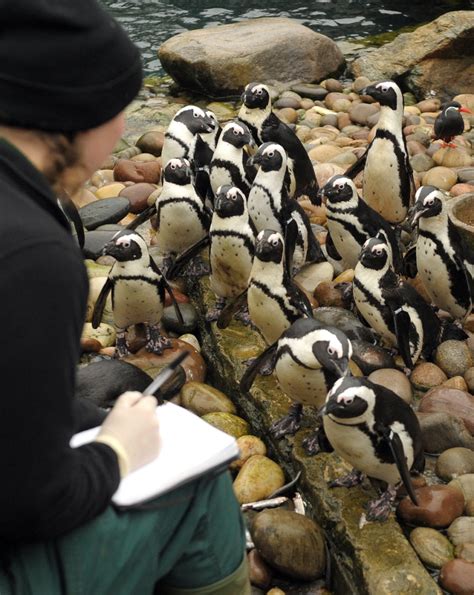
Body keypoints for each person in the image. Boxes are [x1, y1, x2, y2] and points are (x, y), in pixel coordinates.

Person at [0, 1, 250, 593]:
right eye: (118, 109)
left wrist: (75, 417)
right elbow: (28, 503)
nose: (121, 131)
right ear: (75, 117)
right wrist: (115, 451)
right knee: (198, 487)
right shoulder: (31, 253)